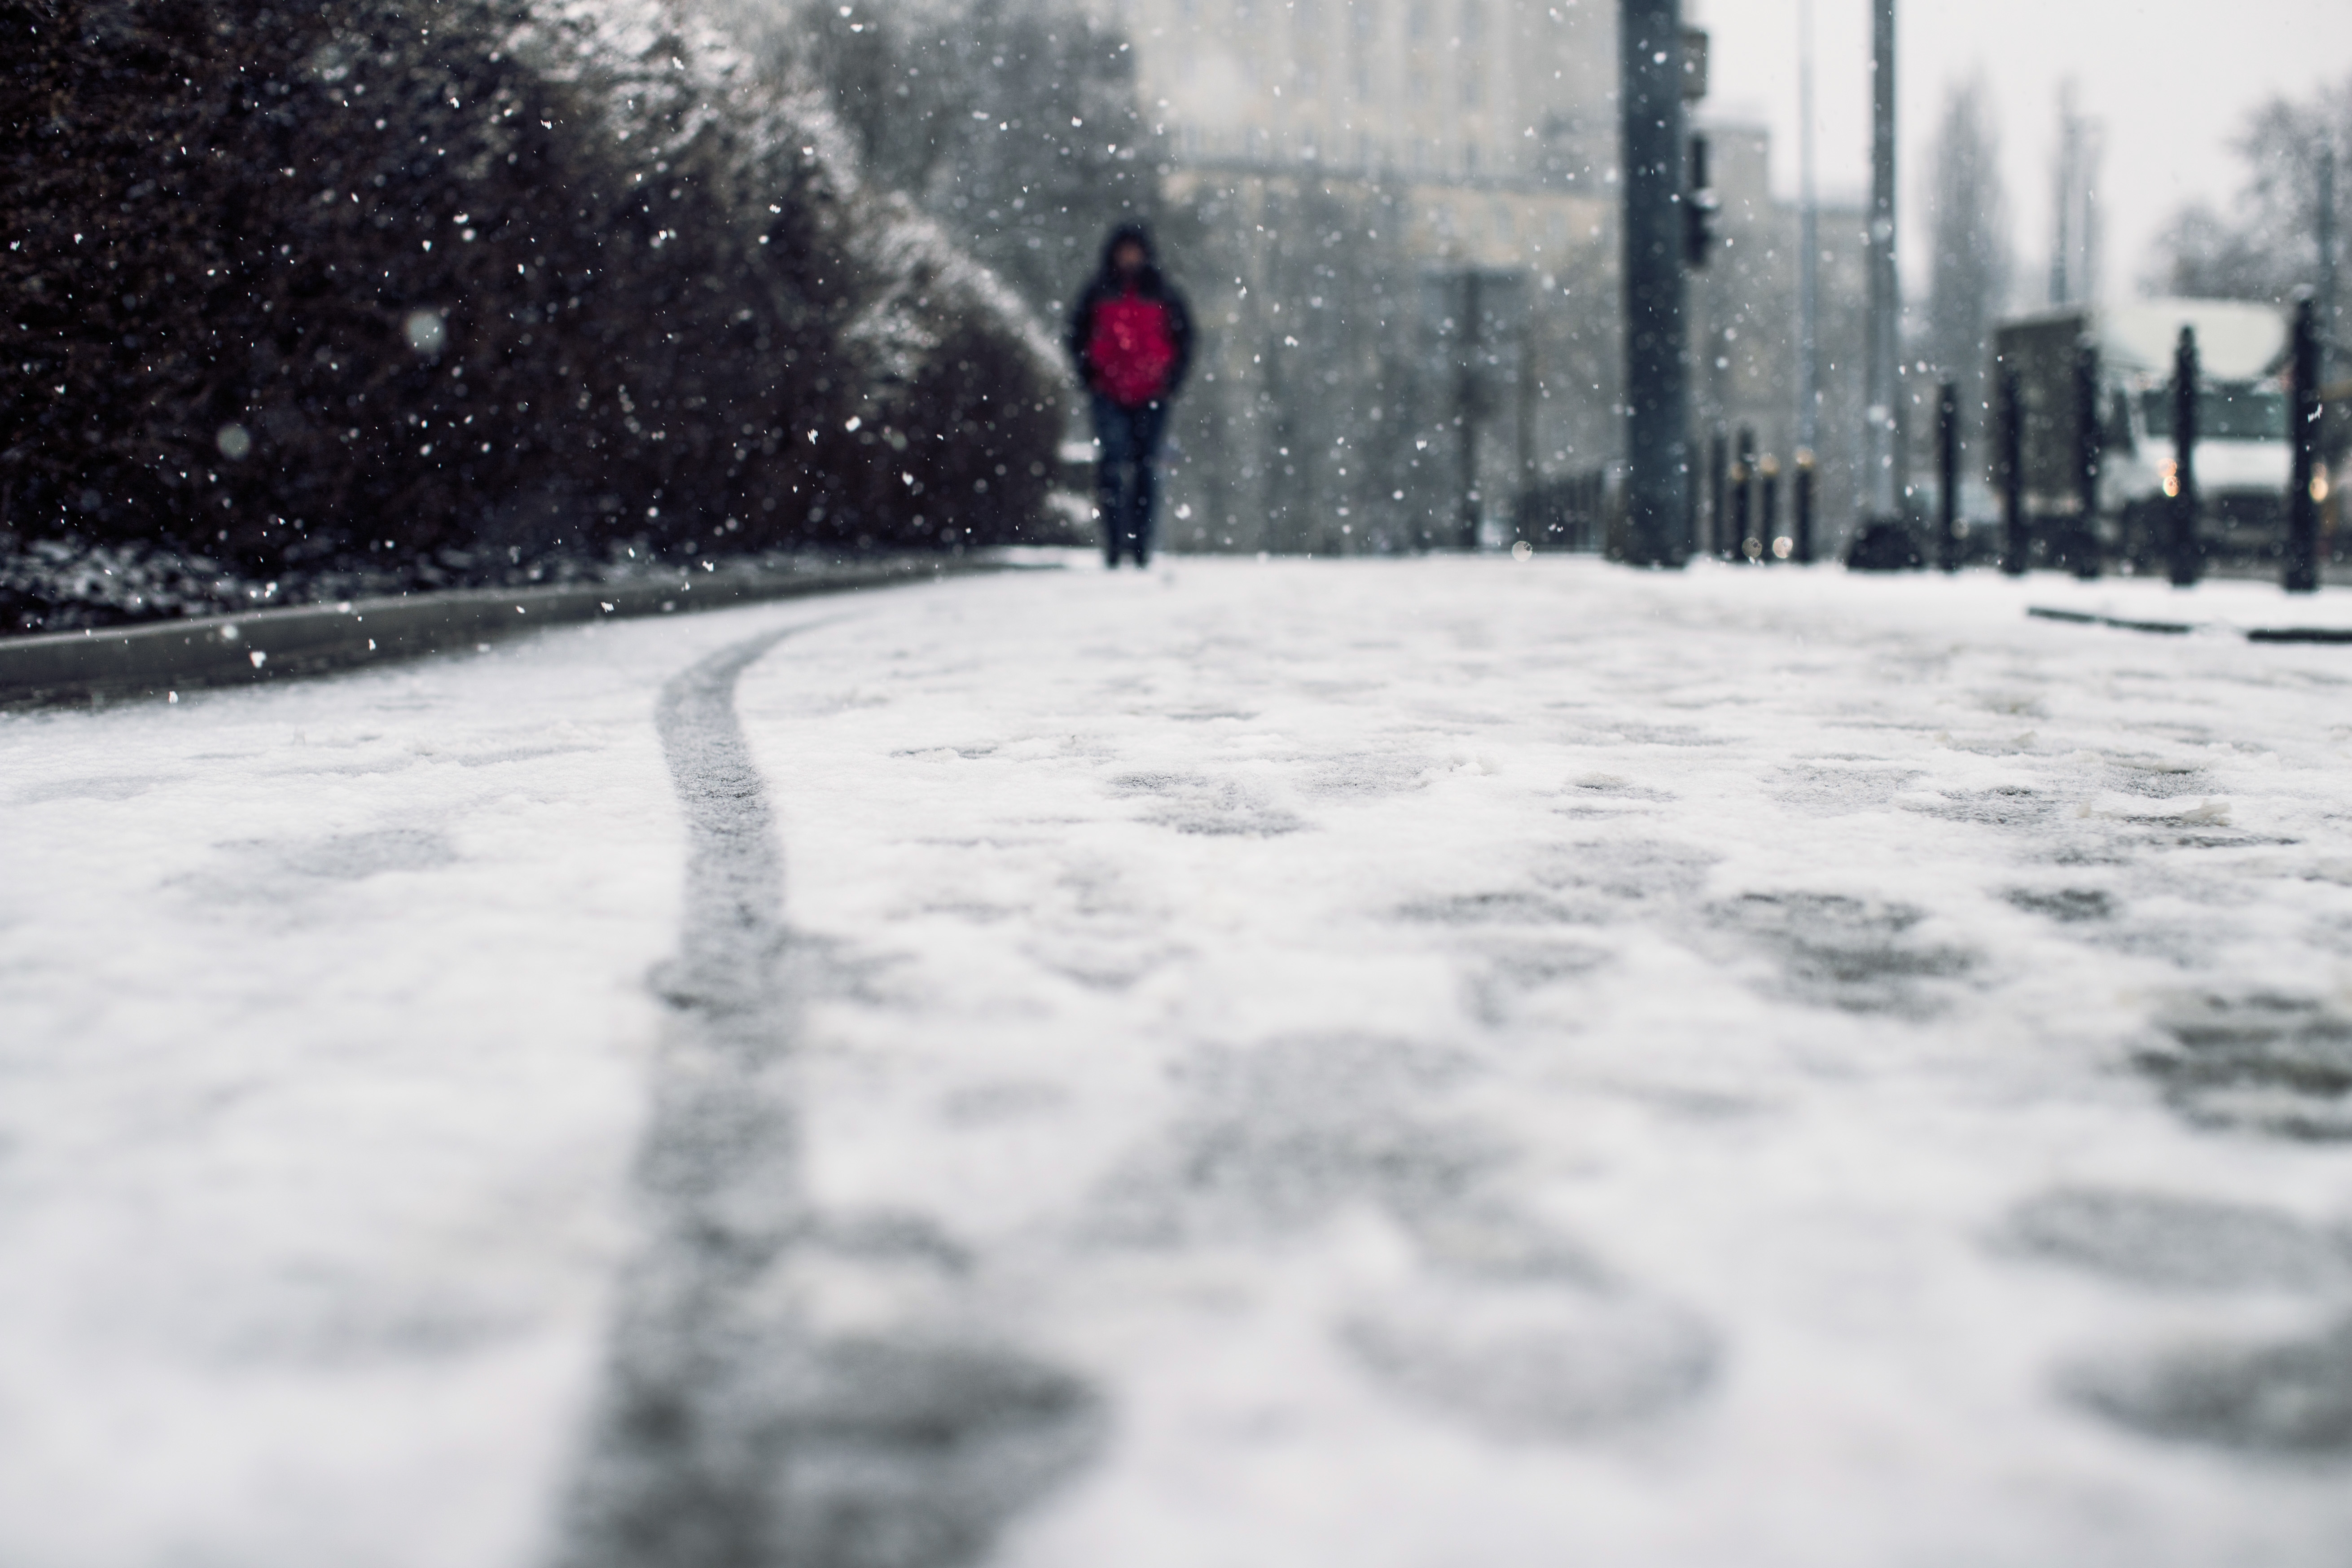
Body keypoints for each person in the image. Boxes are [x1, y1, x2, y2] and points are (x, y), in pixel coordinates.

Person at [1068, 223, 1192, 567]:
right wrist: (1090, 376)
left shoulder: (1165, 293)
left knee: (1145, 470)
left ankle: (1140, 548)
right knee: (1111, 466)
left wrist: (1171, 381)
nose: (1130, 257)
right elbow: (1076, 334)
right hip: (1108, 391)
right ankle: (1112, 545)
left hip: (1153, 393)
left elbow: (1185, 340)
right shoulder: (1097, 291)